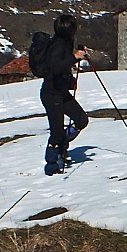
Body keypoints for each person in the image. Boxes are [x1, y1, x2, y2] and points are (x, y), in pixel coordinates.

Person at [39, 14, 91, 174]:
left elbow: (62, 63)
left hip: (60, 92)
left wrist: (76, 55)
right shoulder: (58, 45)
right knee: (55, 134)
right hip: (51, 94)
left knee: (81, 119)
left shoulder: (64, 42)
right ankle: (51, 166)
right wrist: (74, 57)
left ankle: (62, 145)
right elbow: (56, 67)